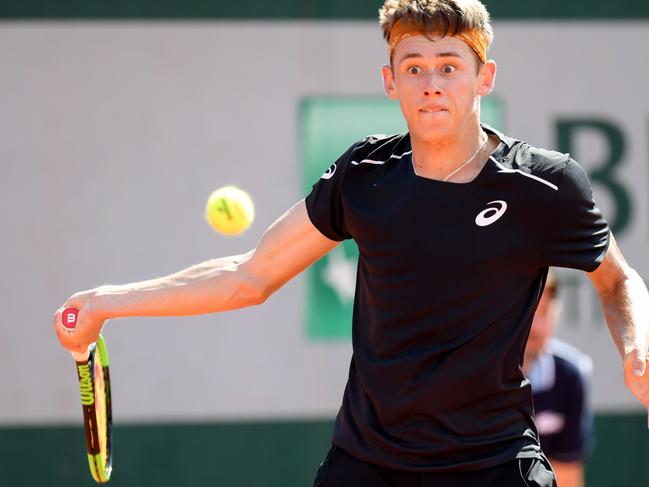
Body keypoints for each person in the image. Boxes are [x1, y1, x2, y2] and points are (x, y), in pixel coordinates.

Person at [54, 1, 649, 486]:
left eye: (449, 65)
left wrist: (636, 346)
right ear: (390, 81)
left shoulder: (544, 184)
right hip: (368, 466)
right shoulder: (363, 175)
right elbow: (250, 275)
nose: (431, 83)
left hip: (493, 465)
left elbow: (617, 279)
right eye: (413, 66)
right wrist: (105, 301)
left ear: (483, 77)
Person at [524, 271, 593, 487]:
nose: (535, 327)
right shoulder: (478, 373)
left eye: (544, 313)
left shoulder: (571, 375)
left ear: (556, 312)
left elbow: (568, 475)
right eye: (529, 313)